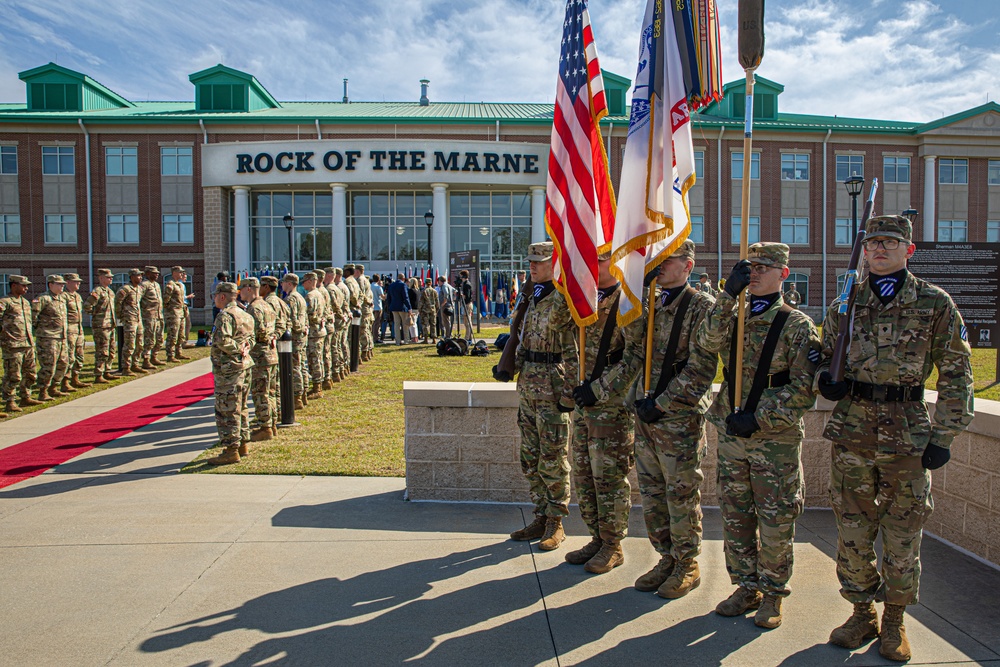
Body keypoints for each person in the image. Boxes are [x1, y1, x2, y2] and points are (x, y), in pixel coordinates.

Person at [817, 215, 974, 662]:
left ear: (910, 249)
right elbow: (825, 357)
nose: (880, 249)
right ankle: (861, 611)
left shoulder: (933, 302)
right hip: (852, 432)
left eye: (890, 242)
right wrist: (826, 381)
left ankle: (894, 621)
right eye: (873, 243)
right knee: (852, 530)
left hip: (907, 435)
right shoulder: (846, 303)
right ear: (864, 251)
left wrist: (944, 434)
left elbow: (958, 372)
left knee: (903, 532)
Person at [695, 242, 820, 630]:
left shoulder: (797, 325)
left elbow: (803, 388)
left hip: (774, 439)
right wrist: (726, 295)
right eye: (751, 266)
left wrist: (760, 417)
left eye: (766, 267)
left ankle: (774, 593)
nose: (757, 272)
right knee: (736, 516)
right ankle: (746, 586)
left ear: (784, 273)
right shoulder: (733, 315)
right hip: (732, 432)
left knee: (776, 519)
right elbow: (705, 342)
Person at [609, 241, 719, 595]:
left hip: (679, 417)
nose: (659, 265)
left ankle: (688, 564)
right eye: (657, 260)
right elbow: (635, 347)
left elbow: (702, 366)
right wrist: (638, 294)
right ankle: (667, 557)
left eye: (667, 260)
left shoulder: (702, 306)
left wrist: (662, 403)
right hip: (646, 412)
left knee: (681, 492)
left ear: (688, 267)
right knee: (653, 492)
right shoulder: (651, 303)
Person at [495, 242, 578, 551]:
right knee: (530, 458)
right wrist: (508, 365)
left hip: (553, 389)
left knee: (554, 458)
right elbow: (522, 339)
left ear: (554, 264)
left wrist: (568, 394)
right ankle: (541, 514)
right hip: (528, 387)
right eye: (530, 260)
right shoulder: (531, 298)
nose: (532, 265)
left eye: (539, 261)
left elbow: (572, 351)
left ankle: (557, 522)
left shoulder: (562, 299)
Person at [565, 250, 634, 574]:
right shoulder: (585, 299)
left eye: (603, 259)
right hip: (583, 405)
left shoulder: (627, 301)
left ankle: (613, 544)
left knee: (608, 478)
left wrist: (600, 388)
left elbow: (634, 358)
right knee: (583, 475)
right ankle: (596, 536)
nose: (594, 263)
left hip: (611, 408)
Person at [206, 282, 255, 465]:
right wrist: (244, 348)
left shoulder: (225, 316)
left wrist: (237, 349)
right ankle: (243, 443)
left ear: (223, 296)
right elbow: (252, 339)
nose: (214, 299)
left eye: (215, 296)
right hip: (244, 366)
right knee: (241, 407)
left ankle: (231, 449)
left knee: (227, 410)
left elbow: (222, 341)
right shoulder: (245, 313)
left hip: (229, 370)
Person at [241, 277, 277, 444]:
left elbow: (259, 332)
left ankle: (265, 427)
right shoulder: (265, 304)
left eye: (241, 289)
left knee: (260, 392)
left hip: (260, 355)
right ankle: (272, 423)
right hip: (270, 353)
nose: (239, 292)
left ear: (249, 289)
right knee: (270, 392)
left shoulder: (254, 308)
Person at [0, 275, 41, 414]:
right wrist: (4, 334)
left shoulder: (25, 302)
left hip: (27, 343)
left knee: (30, 373)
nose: (26, 288)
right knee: (13, 375)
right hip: (13, 345)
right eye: (23, 285)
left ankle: (25, 396)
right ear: (13, 285)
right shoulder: (5, 302)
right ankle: (10, 401)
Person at [32, 274, 70, 401]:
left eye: (63, 284)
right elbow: (33, 317)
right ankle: (43, 391)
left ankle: (54, 387)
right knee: (49, 365)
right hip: (48, 338)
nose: (62, 286)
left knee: (63, 363)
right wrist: (42, 330)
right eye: (59, 284)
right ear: (50, 285)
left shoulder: (61, 299)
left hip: (61, 337)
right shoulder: (43, 298)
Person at [260, 275, 289, 432]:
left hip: (272, 346)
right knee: (275, 385)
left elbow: (272, 325)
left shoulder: (269, 303)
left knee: (268, 386)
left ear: (265, 287)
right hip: (279, 344)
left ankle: (269, 418)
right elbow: (286, 322)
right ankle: (275, 413)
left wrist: (273, 337)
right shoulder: (280, 301)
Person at [84, 269, 118, 384]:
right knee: (102, 351)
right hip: (101, 326)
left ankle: (107, 371)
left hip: (111, 325)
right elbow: (87, 306)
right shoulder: (97, 291)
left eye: (111, 277)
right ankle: (99, 374)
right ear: (101, 278)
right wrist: (95, 315)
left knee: (111, 350)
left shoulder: (110, 292)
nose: (111, 279)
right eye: (108, 277)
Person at [282, 273, 309, 410]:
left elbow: (292, 319)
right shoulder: (300, 297)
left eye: (284, 282)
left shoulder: (291, 299)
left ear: (290, 284)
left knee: (295, 366)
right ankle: (303, 393)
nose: (282, 285)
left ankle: (297, 396)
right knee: (301, 365)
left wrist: (298, 329)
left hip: (295, 336)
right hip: (301, 335)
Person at [62, 273, 90, 391]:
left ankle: (75, 378)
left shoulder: (77, 296)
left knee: (79, 355)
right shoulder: (63, 297)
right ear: (67, 282)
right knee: (69, 356)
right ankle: (65, 381)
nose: (78, 283)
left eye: (79, 281)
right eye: (75, 281)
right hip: (69, 330)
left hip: (78, 329)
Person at [115, 268, 145, 375]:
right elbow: (118, 303)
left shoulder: (139, 289)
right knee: (129, 344)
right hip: (129, 320)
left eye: (141, 276)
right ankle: (126, 367)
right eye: (138, 275)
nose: (140, 277)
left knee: (140, 343)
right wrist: (120, 317)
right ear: (132, 277)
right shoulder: (125, 289)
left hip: (138, 318)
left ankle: (135, 364)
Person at [302, 271, 326, 399]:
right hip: (319, 330)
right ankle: (318, 384)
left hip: (313, 331)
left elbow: (310, 315)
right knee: (317, 358)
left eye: (305, 282)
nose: (303, 285)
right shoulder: (320, 294)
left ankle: (317, 388)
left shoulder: (310, 296)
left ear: (311, 281)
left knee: (314, 359)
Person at [139, 266, 165, 368]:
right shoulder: (144, 285)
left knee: (159, 338)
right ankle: (146, 359)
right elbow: (138, 299)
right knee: (149, 339)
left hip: (158, 315)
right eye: (155, 273)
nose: (157, 274)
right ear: (148, 274)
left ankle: (154, 356)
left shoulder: (156, 285)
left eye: (158, 273)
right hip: (148, 316)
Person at [163, 266, 189, 361]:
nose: (182, 274)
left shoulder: (180, 285)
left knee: (181, 334)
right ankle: (170, 355)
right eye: (180, 272)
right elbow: (166, 299)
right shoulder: (170, 284)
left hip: (181, 312)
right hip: (173, 313)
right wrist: (170, 310)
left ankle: (179, 352)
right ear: (174, 273)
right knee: (172, 335)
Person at [355, 264, 375, 361]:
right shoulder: (366, 280)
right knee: (366, 330)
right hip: (367, 309)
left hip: (363, 308)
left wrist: (360, 303)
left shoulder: (360, 280)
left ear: (358, 271)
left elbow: (361, 294)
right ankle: (368, 350)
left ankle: (364, 352)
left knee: (362, 331)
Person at [385, 274, 411, 346]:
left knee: (396, 324)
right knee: (405, 324)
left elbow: (388, 297)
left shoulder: (391, 285)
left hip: (394, 307)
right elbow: (405, 297)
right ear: (403, 278)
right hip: (402, 307)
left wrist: (390, 305)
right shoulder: (403, 285)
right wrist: (409, 307)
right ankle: (406, 340)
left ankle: (397, 341)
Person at [418, 278, 439, 344]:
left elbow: (421, 301)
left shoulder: (424, 291)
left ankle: (426, 339)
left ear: (425, 283)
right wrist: (437, 309)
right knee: (433, 324)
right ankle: (434, 339)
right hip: (433, 310)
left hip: (425, 310)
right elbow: (437, 302)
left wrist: (419, 309)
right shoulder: (434, 291)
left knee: (425, 325)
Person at [457, 270, 475, 340]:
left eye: (461, 276)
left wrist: (461, 295)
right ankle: (469, 336)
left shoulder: (467, 284)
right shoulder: (464, 284)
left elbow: (467, 296)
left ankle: (467, 338)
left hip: (467, 304)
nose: (460, 278)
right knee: (465, 321)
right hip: (466, 304)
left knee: (467, 322)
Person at [370, 275, 384, 344]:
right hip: (378, 306)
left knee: (372, 323)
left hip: (371, 307)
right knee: (377, 323)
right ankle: (375, 338)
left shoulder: (370, 286)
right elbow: (382, 297)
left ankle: (371, 337)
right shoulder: (378, 287)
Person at [407, 278, 420, 343]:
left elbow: (408, 300)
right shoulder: (418, 290)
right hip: (417, 308)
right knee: (415, 323)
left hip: (412, 308)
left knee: (412, 324)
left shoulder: (410, 291)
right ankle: (416, 337)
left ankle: (413, 338)